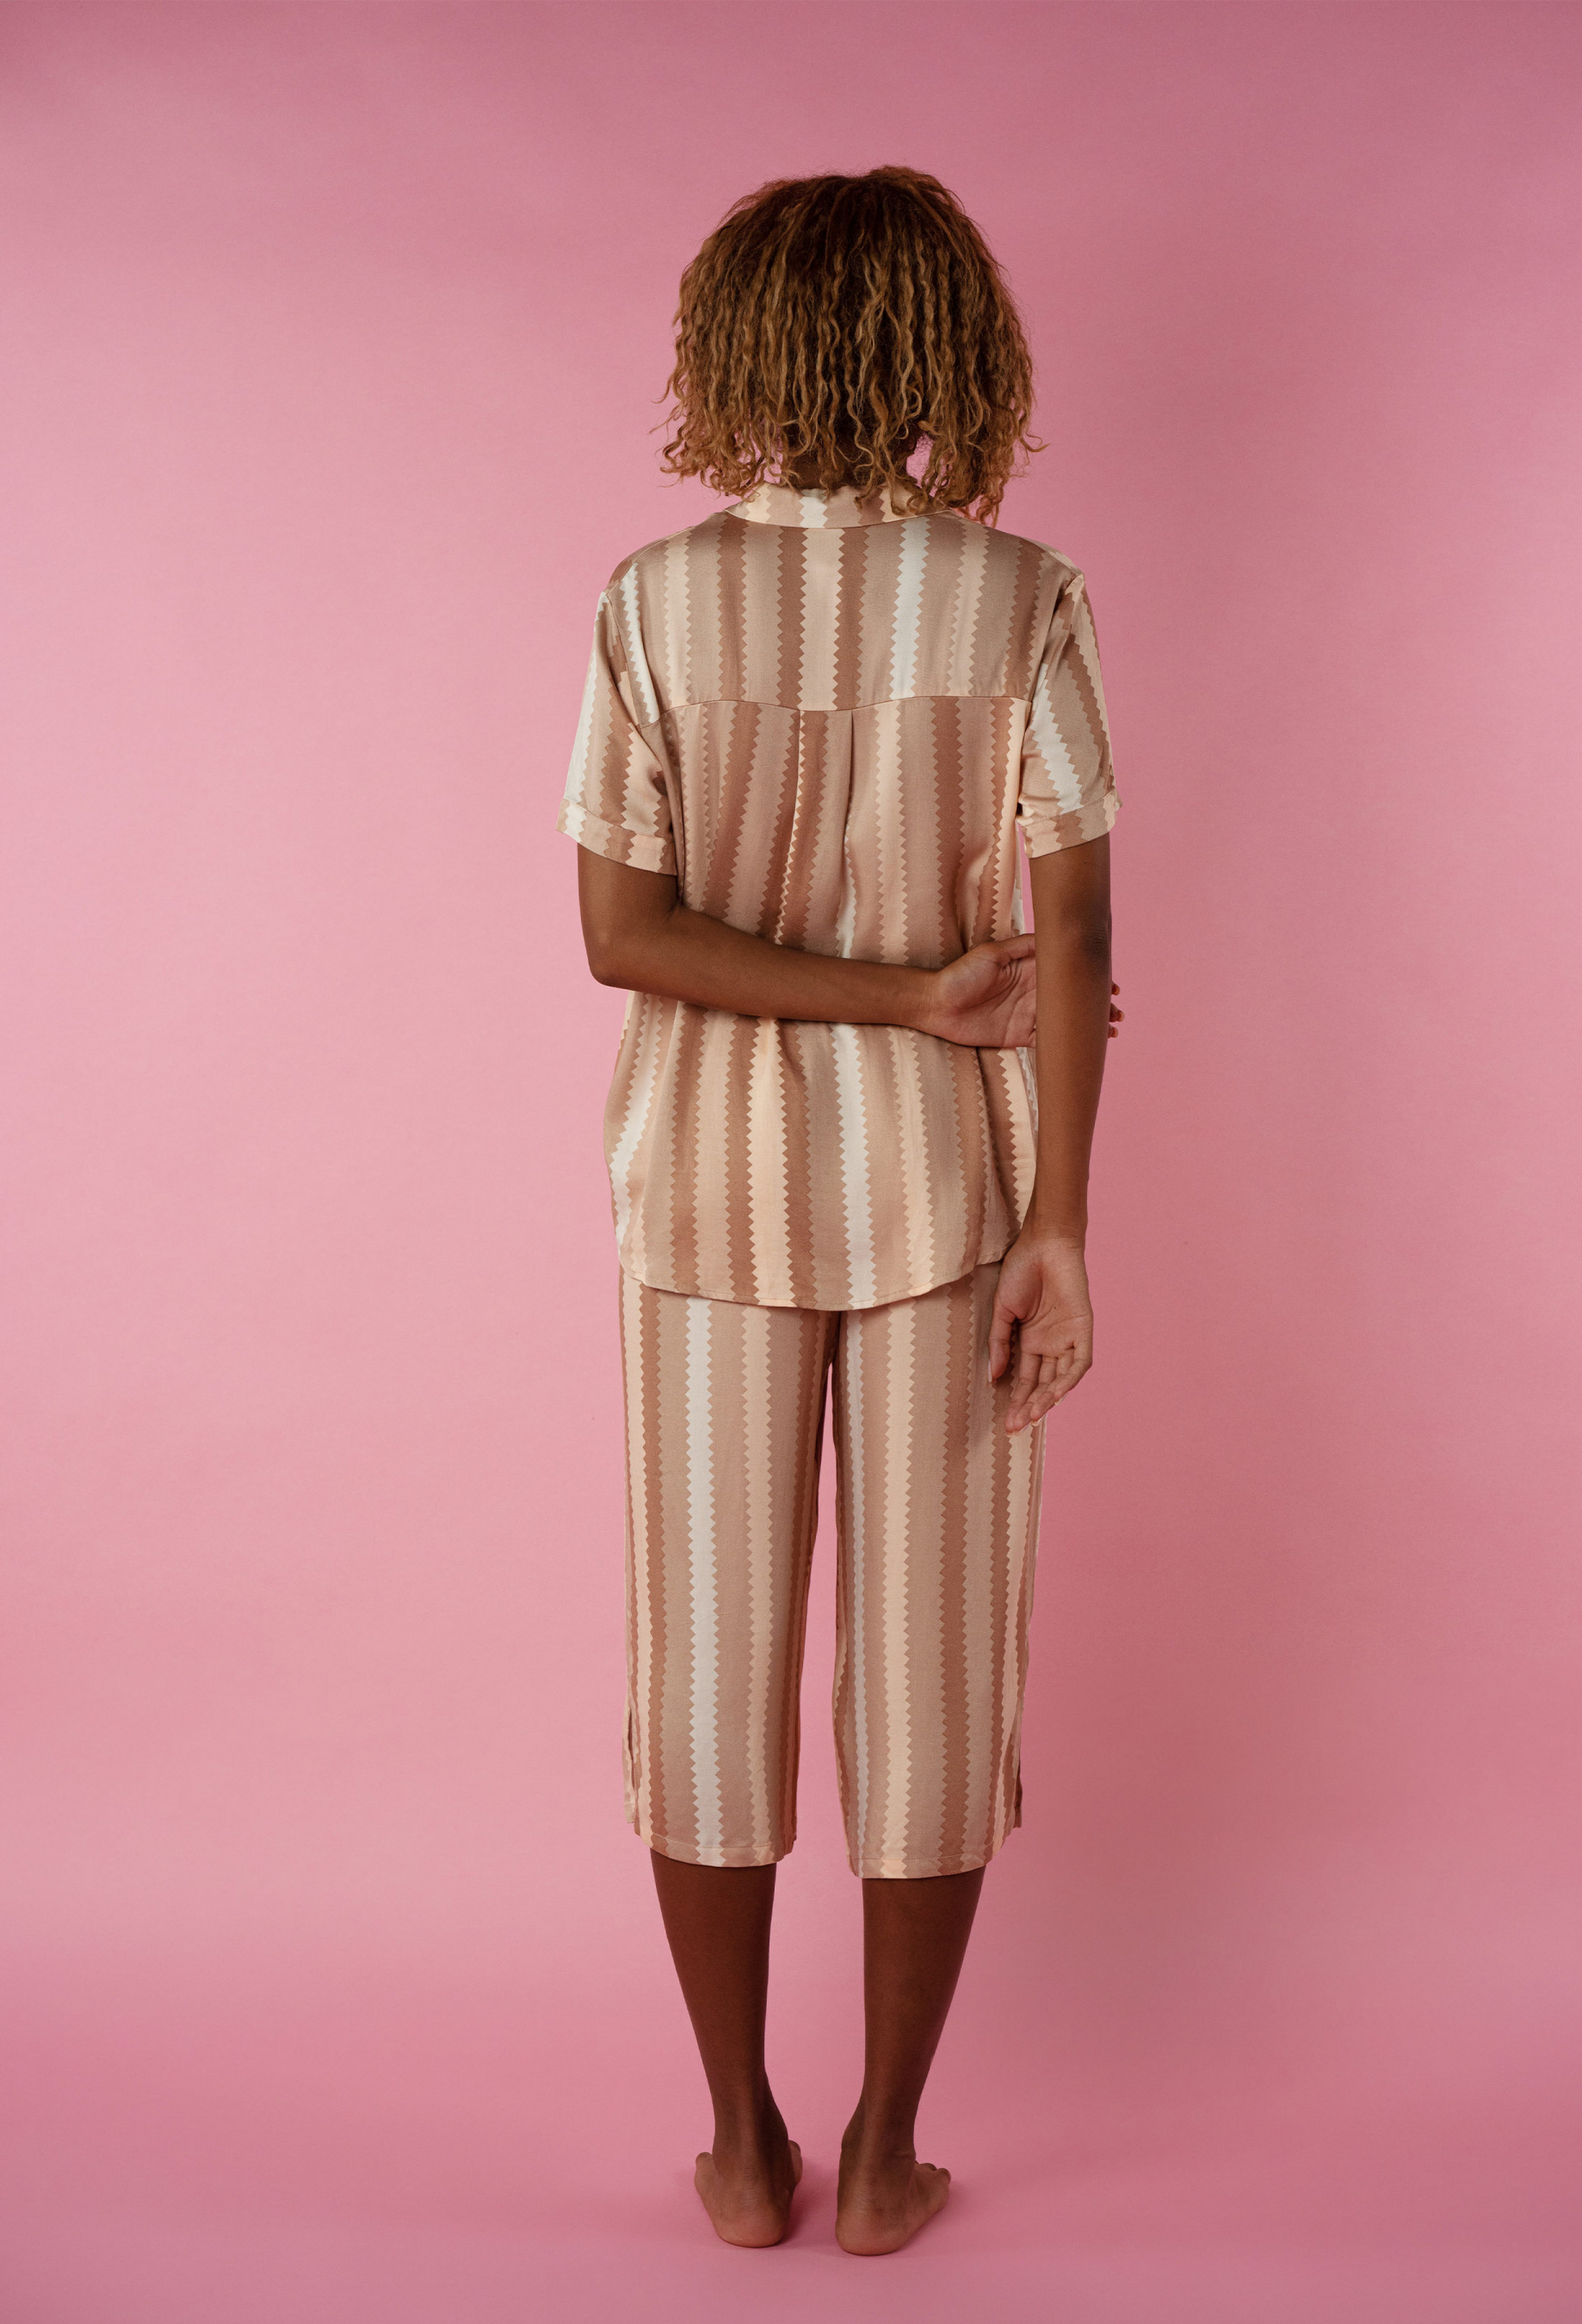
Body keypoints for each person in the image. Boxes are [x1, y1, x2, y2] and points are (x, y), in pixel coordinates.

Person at [558, 166, 1120, 2257]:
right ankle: (887, 2153)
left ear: (736, 348)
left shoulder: (648, 602)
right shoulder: (1020, 596)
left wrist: (870, 991)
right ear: (947, 347)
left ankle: (741, 2143)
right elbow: (1074, 945)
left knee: (703, 1673)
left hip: (703, 1198)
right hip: (953, 1195)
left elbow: (620, 932)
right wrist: (1059, 1224)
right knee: (937, 1671)